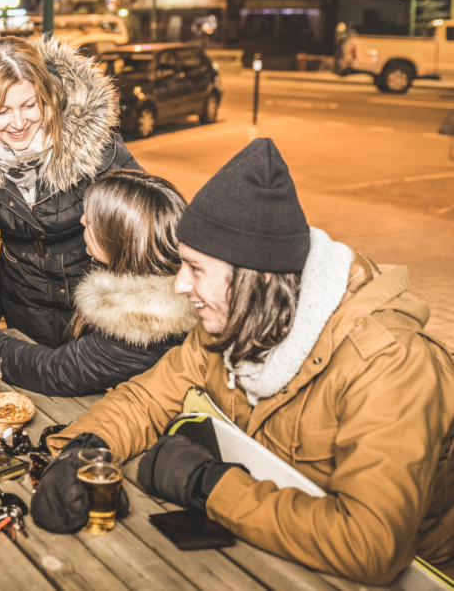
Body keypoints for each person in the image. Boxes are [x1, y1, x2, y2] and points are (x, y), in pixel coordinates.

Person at [31, 138, 454, 585]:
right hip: (269, 553)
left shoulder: (390, 365)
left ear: (257, 277)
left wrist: (209, 484)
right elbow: (146, 398)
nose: (178, 286)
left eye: (196, 269)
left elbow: (370, 544)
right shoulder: (233, 320)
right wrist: (83, 448)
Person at [0, 36, 142, 349]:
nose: (19, 123)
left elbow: (144, 224)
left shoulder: (91, 141)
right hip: (25, 304)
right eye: (2, 111)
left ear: (46, 96)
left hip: (98, 309)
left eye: (29, 105)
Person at [0, 169, 198, 396]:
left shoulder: (144, 318)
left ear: (121, 237)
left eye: (93, 219)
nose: (83, 220)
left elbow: (55, 370)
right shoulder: (168, 284)